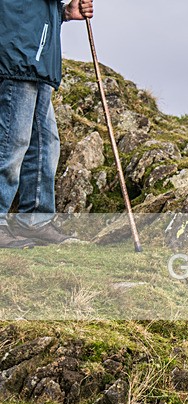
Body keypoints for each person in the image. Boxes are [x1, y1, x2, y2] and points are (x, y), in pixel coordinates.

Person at [0, 0, 94, 249]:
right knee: (12, 141)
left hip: (36, 57)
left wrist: (63, 12)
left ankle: (35, 219)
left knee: (45, 143)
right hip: (16, 54)